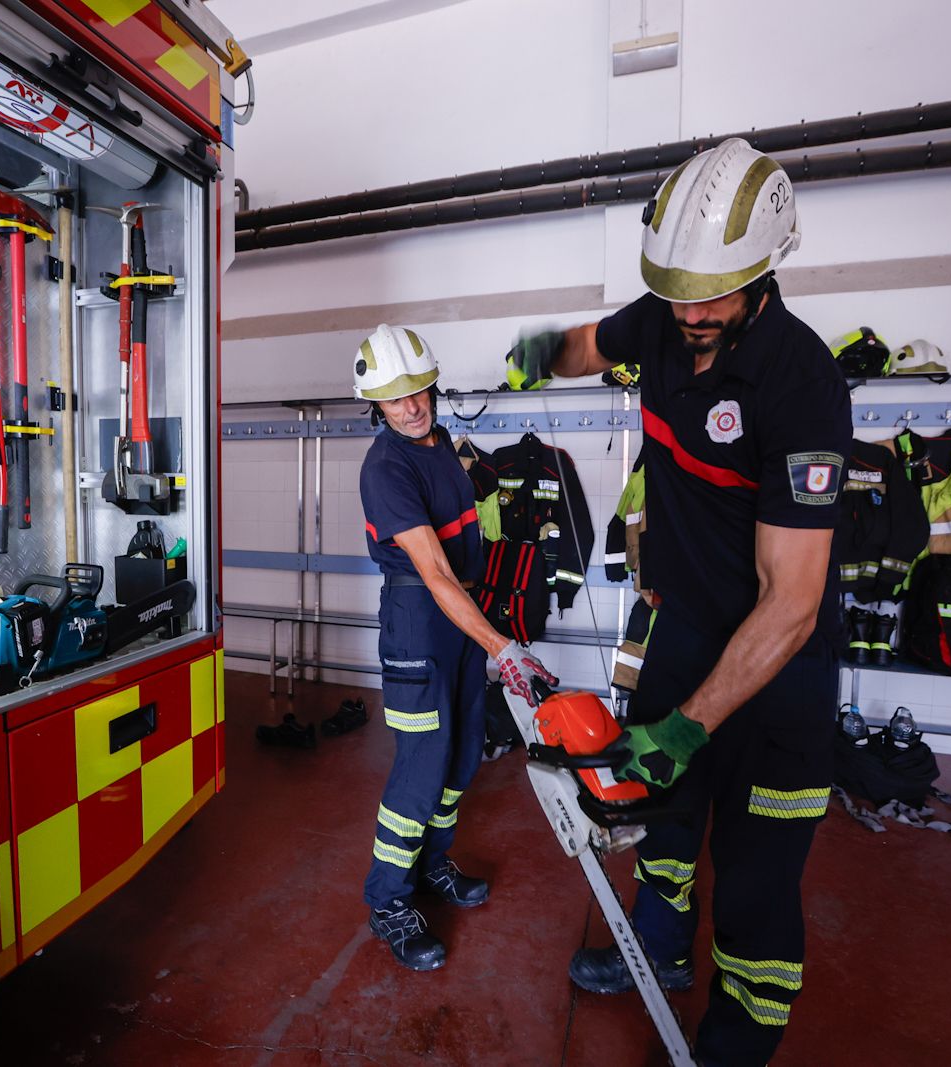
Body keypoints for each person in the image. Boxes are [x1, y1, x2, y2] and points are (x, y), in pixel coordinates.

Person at [503, 137, 850, 1065]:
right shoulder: (664, 316)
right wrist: (538, 352)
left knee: (755, 891)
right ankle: (655, 952)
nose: (691, 312)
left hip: (781, 675)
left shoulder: (803, 383)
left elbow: (791, 603)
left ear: (766, 269)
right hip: (683, 632)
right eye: (677, 291)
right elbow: (589, 345)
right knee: (660, 825)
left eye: (713, 294)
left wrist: (690, 727)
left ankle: (732, 1047)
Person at [355, 323, 558, 972]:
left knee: (463, 753)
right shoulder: (386, 467)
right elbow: (435, 573)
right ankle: (388, 898)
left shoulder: (442, 443)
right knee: (421, 768)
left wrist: (488, 633)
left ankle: (431, 864)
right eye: (394, 398)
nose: (411, 405)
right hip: (420, 624)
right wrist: (504, 646)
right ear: (376, 406)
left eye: (418, 389)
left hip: (462, 621)